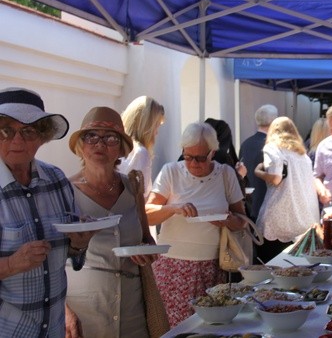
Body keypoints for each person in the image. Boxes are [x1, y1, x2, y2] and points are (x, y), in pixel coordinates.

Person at [0, 87, 94, 337]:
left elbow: (71, 253)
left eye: (28, 131)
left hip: (52, 328)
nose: (17, 141)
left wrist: (78, 244)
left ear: (43, 137)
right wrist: (10, 264)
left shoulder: (57, 180)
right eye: (6, 131)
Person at [65, 106, 156, 338]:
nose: (100, 144)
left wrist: (147, 252)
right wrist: (63, 311)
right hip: (84, 312)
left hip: (132, 310)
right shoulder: (63, 191)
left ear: (121, 149)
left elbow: (147, 240)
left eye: (110, 138)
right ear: (80, 145)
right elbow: (48, 260)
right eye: (91, 136)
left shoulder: (132, 186)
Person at [145, 122, 247, 327]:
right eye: (188, 156)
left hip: (211, 267)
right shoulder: (171, 171)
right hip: (172, 268)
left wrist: (227, 221)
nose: (193, 163)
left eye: (201, 158)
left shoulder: (225, 174)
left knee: (209, 327)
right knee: (175, 328)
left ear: (213, 152)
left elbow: (242, 222)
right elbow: (146, 215)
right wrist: (173, 209)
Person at [254, 116, 320, 262]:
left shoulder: (272, 148)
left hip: (277, 219)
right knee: (299, 268)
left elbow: (276, 178)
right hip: (303, 219)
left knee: (273, 267)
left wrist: (258, 171)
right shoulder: (303, 155)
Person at [118, 96, 165, 240]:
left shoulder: (117, 147)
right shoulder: (141, 153)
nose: (157, 132)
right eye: (157, 125)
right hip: (133, 226)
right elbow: (139, 199)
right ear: (148, 125)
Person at [239, 104, 278, 222]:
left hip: (250, 204)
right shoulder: (272, 146)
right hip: (268, 205)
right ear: (274, 121)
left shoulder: (246, 143)